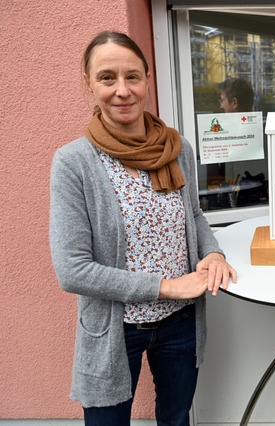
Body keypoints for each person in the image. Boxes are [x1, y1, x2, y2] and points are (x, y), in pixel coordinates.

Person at [49, 31, 237, 425]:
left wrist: (214, 253)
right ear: (89, 84)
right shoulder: (74, 163)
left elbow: (194, 215)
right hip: (115, 328)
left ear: (148, 80)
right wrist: (166, 286)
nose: (122, 90)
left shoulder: (177, 148)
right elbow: (73, 270)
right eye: (107, 78)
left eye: (132, 77)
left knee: (175, 418)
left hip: (181, 321)